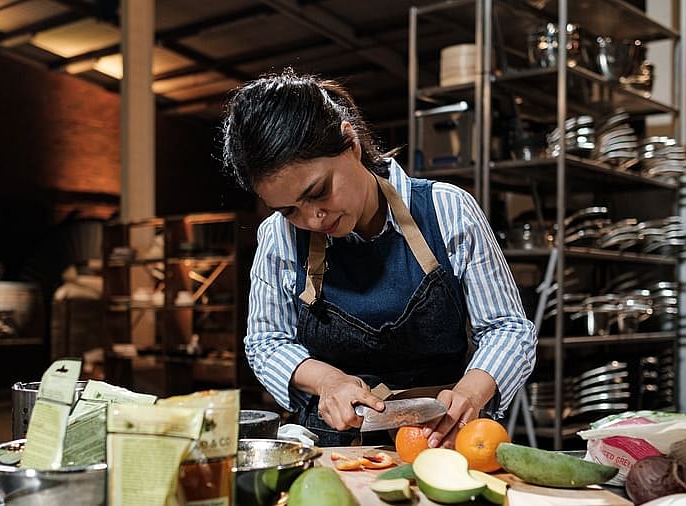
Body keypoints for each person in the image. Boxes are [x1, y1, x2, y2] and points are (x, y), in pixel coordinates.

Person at [221, 70, 536, 448]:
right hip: (333, 446)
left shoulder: (447, 210)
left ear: (351, 142)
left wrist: (471, 392)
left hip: (440, 438)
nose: (313, 219)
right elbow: (266, 341)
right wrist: (328, 381)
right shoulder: (279, 236)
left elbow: (507, 328)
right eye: (289, 210)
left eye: (319, 192)